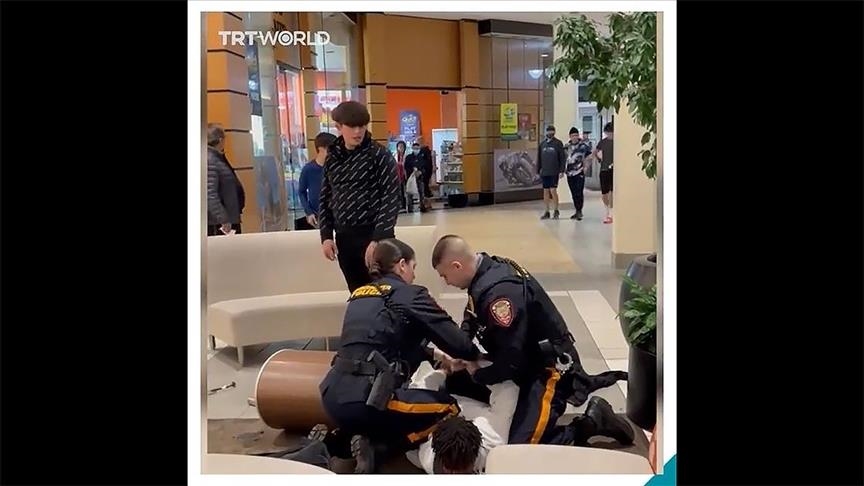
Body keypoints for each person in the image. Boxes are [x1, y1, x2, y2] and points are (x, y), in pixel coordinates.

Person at [431, 235, 634, 447]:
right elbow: (472, 314)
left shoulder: (500, 293)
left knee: (523, 445)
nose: (446, 282)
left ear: (457, 266)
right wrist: (462, 352)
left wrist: (478, 373)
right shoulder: (488, 270)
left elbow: (511, 360)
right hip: (524, 361)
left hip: (548, 370)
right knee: (454, 380)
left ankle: (593, 422)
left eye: (444, 276)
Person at [318, 238, 482, 474]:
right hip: (369, 401)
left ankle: (339, 442)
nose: (414, 276)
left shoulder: (360, 294)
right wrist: (470, 322)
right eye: (413, 268)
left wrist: (437, 356)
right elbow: (461, 346)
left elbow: (384, 344)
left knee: (390, 400)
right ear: (402, 265)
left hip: (331, 397)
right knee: (449, 409)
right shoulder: (410, 295)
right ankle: (381, 448)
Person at [318, 101, 402, 292]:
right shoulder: (332, 157)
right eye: (352, 126)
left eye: (362, 126)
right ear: (338, 127)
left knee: (385, 293)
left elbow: (391, 198)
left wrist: (379, 238)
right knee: (358, 293)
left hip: (375, 235)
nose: (358, 131)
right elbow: (326, 197)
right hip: (344, 238)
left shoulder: (379, 155)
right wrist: (326, 236)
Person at [406, 360, 519, 474]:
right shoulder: (493, 439)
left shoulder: (426, 458)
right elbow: (509, 390)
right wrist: (476, 369)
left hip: (443, 394)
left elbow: (417, 394)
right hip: (478, 390)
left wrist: (444, 370)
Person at [207, 123, 246, 236]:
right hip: (219, 224)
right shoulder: (210, 160)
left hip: (228, 218)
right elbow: (210, 194)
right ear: (220, 140)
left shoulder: (218, 157)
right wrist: (223, 218)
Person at [296, 132, 336, 231]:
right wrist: (309, 212)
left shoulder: (337, 168)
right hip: (318, 217)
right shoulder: (308, 169)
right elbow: (301, 192)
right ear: (321, 149)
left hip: (337, 215)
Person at [537, 125, 567, 219]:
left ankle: (556, 210)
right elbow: (539, 158)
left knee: (553, 190)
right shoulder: (542, 144)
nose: (550, 133)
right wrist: (538, 170)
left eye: (552, 131)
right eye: (549, 131)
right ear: (546, 132)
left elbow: (562, 157)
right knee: (545, 191)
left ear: (554, 132)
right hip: (544, 172)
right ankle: (547, 211)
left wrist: (562, 170)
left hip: (554, 171)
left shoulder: (558, 143)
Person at [565, 127, 592, 221]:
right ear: (570, 136)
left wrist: (586, 167)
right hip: (569, 173)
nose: (575, 137)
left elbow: (590, 157)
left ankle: (579, 210)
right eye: (573, 135)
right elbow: (563, 159)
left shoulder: (583, 146)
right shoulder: (566, 147)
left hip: (579, 172)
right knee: (573, 192)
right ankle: (577, 210)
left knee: (579, 192)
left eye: (576, 135)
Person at [594, 122, 615, 224]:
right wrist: (599, 158)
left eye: (611, 132)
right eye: (608, 132)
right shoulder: (602, 142)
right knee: (604, 193)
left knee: (612, 191)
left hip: (613, 170)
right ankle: (607, 211)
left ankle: (611, 213)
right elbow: (595, 152)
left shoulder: (617, 142)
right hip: (604, 169)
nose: (609, 134)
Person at [394, 141, 408, 212]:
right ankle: (401, 206)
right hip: (398, 176)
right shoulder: (395, 155)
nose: (400, 148)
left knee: (406, 191)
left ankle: (406, 205)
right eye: (399, 146)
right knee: (400, 191)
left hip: (405, 175)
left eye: (402, 146)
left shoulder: (406, 156)